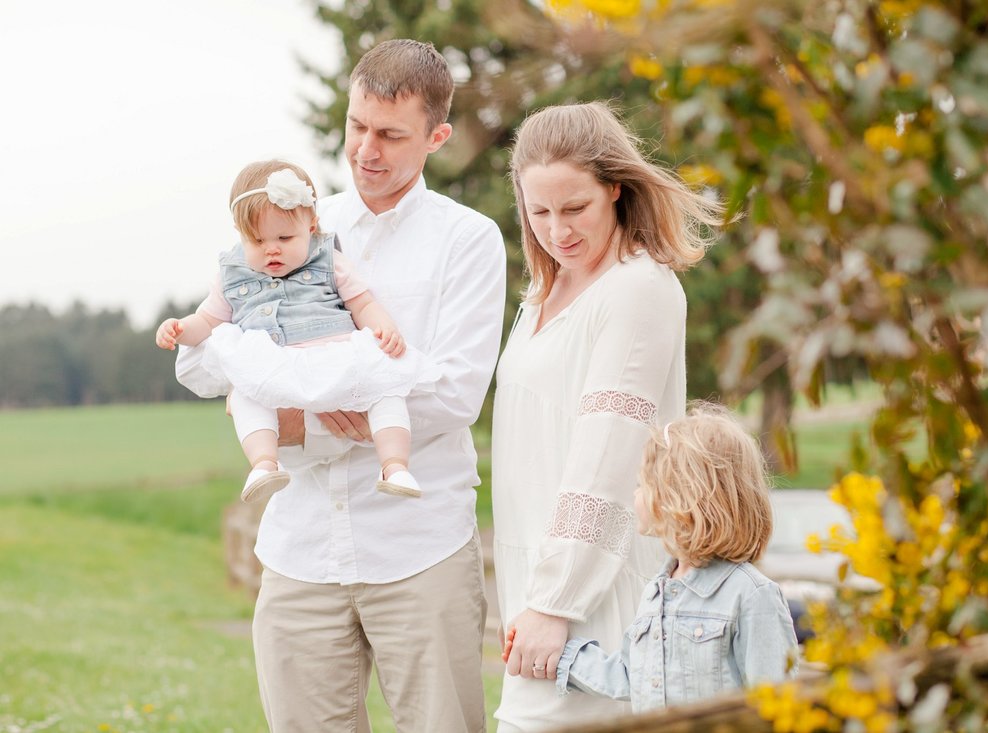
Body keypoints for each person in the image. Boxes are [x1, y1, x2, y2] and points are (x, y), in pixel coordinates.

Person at [175, 39, 506, 732]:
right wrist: (312, 397)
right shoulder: (288, 224)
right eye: (358, 126)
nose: (366, 150)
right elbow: (202, 365)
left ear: (437, 136)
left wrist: (303, 422)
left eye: (390, 134)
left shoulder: (468, 240)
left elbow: (453, 395)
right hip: (298, 547)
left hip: (419, 548)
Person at [491, 101, 725, 731]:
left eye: (575, 209)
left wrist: (554, 603)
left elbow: (609, 454)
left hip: (600, 598)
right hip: (536, 583)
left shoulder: (636, 288)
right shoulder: (544, 289)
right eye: (538, 211)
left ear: (616, 190)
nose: (556, 230)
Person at [155, 160, 429, 503]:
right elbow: (208, 322)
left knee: (385, 387)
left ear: (311, 226)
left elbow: (362, 304)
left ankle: (395, 465)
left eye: (285, 237)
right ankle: (264, 464)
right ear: (240, 235)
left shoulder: (329, 259)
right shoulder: (230, 275)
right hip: (275, 363)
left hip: (335, 353)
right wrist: (179, 329)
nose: (272, 248)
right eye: (257, 240)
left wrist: (383, 327)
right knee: (245, 394)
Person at [504, 403, 800, 712]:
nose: (634, 495)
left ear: (680, 497)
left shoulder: (752, 596)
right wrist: (558, 655)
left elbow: (778, 707)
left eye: (644, 484)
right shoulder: (658, 592)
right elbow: (633, 675)